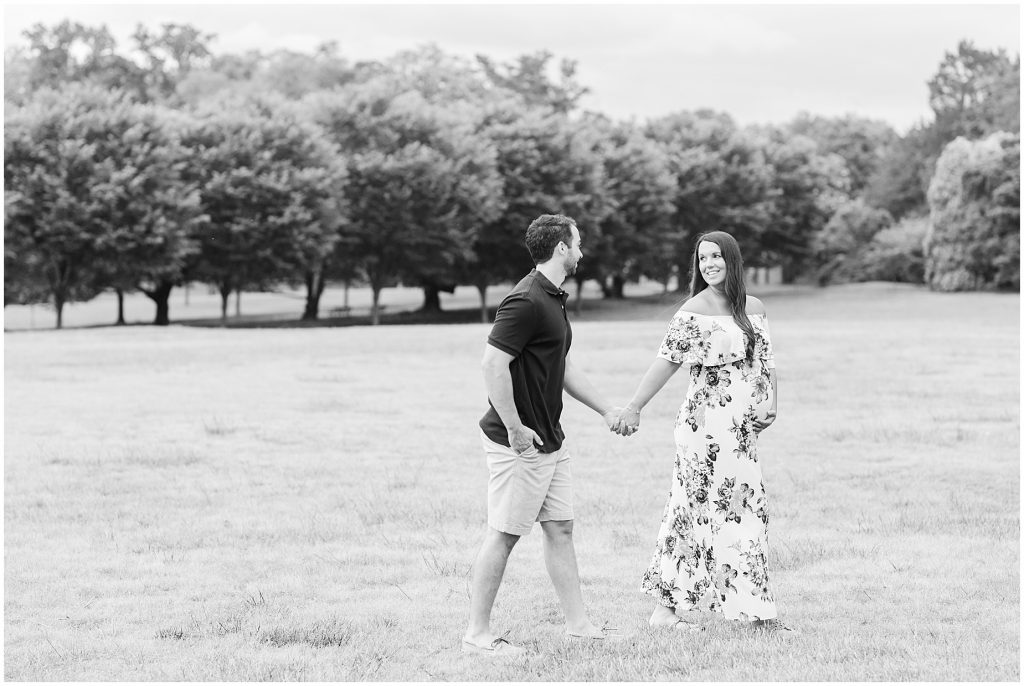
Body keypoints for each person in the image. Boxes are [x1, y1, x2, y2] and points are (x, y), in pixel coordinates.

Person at [612, 230, 794, 633]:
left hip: (741, 430)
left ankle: (747, 609)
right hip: (703, 429)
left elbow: (766, 361)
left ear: (732, 260)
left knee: (748, 510)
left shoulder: (754, 307)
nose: (709, 264)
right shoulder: (693, 311)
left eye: (716, 256)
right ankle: (676, 611)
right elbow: (666, 362)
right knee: (694, 512)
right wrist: (634, 407)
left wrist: (771, 403)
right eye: (702, 258)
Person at [462, 213, 625, 657]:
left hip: (551, 437)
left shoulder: (553, 298)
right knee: (504, 534)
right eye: (577, 244)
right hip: (519, 441)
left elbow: (563, 365)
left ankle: (579, 626)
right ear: (561, 249)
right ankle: (477, 636)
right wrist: (515, 429)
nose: (582, 251)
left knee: (561, 528)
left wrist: (606, 409)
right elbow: (492, 365)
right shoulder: (526, 300)